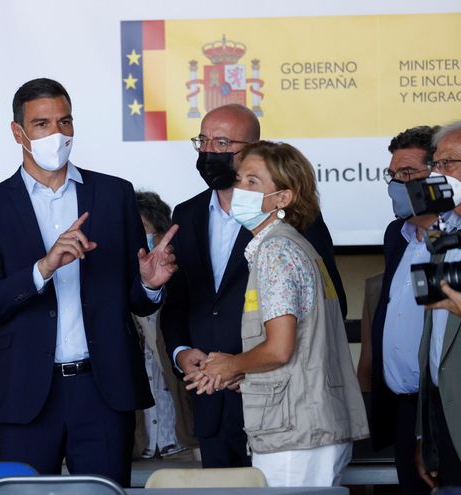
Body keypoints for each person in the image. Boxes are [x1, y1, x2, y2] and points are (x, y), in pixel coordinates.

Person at [0, 78, 178, 486]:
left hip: (103, 387)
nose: (56, 134)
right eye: (42, 124)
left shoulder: (114, 195)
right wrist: (43, 267)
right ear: (18, 132)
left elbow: (138, 300)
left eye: (65, 122)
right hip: (25, 390)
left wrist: (150, 284)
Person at [161, 103, 346, 468]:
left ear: (252, 150)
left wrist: (243, 365)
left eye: (222, 142)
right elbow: (179, 301)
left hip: (279, 396)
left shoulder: (294, 226)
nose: (209, 151)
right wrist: (182, 353)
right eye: (203, 141)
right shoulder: (186, 213)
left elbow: (328, 305)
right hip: (210, 395)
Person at [186, 141, 368, 486]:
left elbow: (279, 349)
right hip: (310, 424)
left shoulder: (276, 251)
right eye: (240, 179)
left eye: (253, 182)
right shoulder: (295, 245)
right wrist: (239, 374)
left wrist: (231, 365)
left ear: (283, 198)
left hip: (296, 434)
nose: (239, 189)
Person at [368, 125, 440, 495]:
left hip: (445, 405)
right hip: (403, 408)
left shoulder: (453, 238)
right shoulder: (395, 236)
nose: (397, 184)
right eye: (392, 174)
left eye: (408, 173)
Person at [416, 120, 461, 489]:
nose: (438, 174)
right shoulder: (443, 234)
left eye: (448, 164)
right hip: (444, 418)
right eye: (436, 165)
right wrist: (424, 437)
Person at [133, 191, 192, 458]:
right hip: (134, 452)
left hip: (184, 450)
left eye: (143, 232)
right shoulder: (111, 299)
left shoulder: (185, 293)